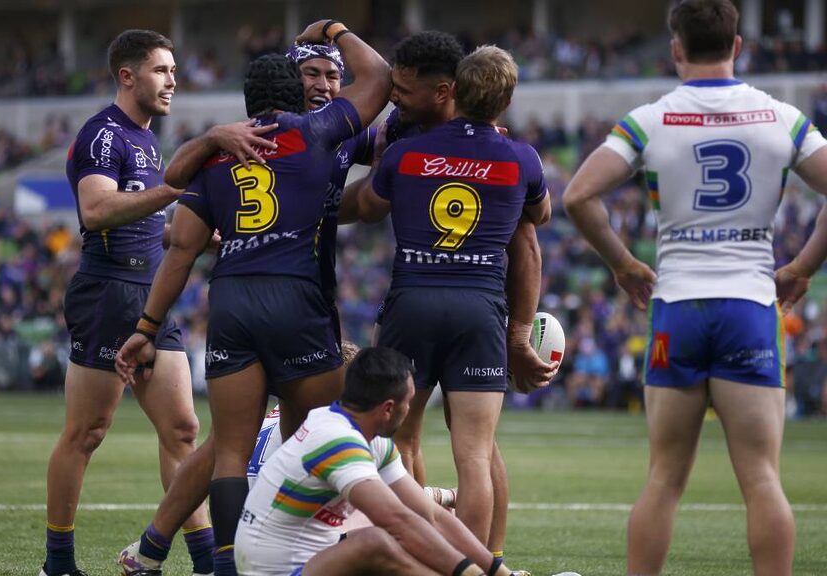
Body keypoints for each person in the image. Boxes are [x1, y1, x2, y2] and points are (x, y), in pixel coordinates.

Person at [117, 20, 391, 576]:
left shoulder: (218, 157)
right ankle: (313, 545)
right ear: (295, 86)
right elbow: (383, 83)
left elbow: (179, 242)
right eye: (310, 74)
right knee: (322, 430)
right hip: (300, 298)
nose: (323, 84)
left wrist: (146, 327)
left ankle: (198, 557)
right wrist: (336, 29)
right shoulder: (321, 132)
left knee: (230, 447)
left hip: (234, 299)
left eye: (331, 75)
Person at [563, 1, 827, 574]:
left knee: (663, 479)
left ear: (675, 49)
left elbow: (578, 196)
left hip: (678, 305)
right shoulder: (780, 116)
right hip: (751, 305)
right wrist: (803, 265)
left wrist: (624, 263)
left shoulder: (652, 119)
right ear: (738, 47)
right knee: (762, 479)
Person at [357, 32, 556, 557]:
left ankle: (421, 558)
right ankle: (477, 565)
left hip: (413, 302)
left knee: (400, 441)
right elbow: (540, 217)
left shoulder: (405, 153)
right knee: (475, 456)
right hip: (480, 311)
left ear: (454, 92)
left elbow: (369, 206)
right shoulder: (522, 158)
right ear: (506, 102)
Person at [42, 30, 227, 576]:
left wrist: (190, 231)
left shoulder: (147, 139)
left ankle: (203, 560)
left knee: (183, 430)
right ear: (128, 76)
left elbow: (143, 219)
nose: (173, 80)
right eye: (161, 70)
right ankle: (58, 563)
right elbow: (96, 211)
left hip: (151, 293)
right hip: (108, 293)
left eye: (173, 70)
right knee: (87, 433)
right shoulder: (104, 134)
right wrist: (177, 192)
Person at [235, 346, 528, 576]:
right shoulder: (337, 441)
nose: (410, 409)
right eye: (409, 401)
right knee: (376, 542)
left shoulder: (370, 438)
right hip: (276, 572)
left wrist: (498, 572)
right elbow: (397, 519)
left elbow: (431, 515)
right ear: (388, 408)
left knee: (415, 532)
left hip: (314, 559)